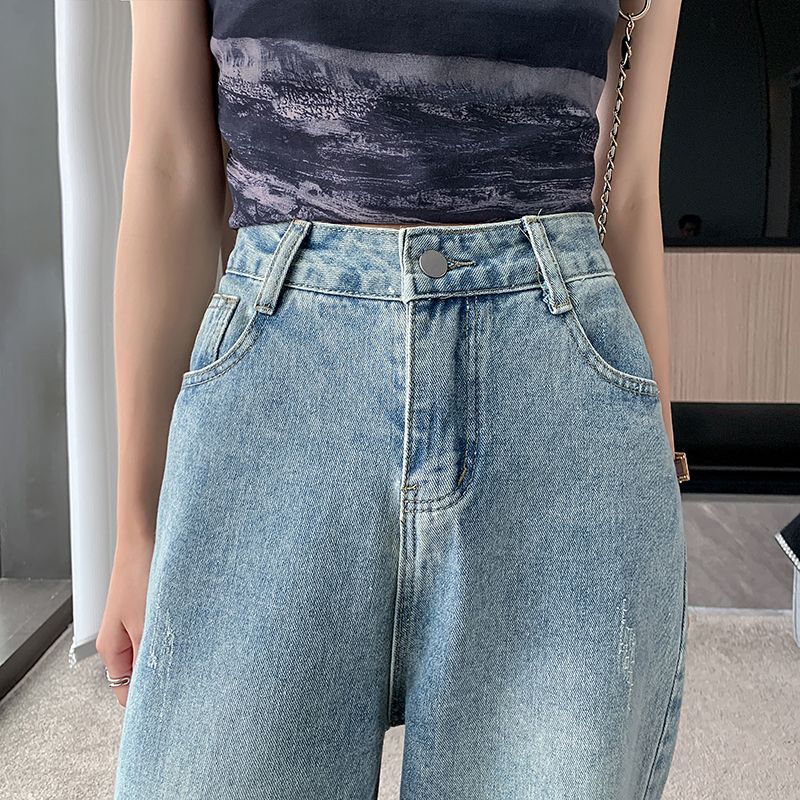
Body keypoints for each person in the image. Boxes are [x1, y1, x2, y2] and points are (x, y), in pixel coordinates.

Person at [98, 1, 688, 798]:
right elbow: (169, 166)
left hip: (556, 413)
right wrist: (136, 527)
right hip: (275, 411)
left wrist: (658, 486)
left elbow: (629, 189)